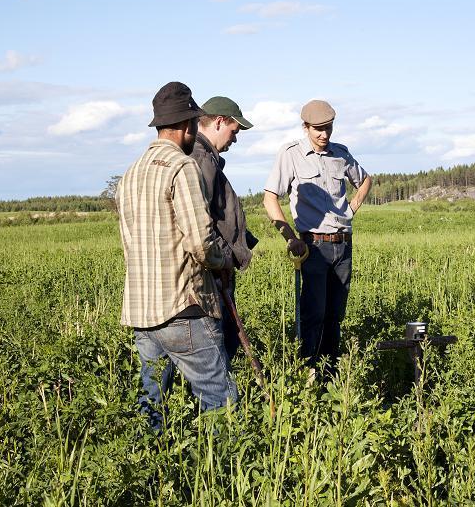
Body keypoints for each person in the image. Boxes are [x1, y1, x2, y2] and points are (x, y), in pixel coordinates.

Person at [116, 81, 237, 431]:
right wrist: (224, 260)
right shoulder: (182, 168)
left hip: (142, 313)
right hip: (183, 308)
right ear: (186, 126)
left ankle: (153, 477)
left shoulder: (131, 173)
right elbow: (200, 241)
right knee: (220, 401)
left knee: (152, 405)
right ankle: (225, 476)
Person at [263, 99, 372, 374]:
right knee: (314, 316)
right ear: (305, 127)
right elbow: (270, 198)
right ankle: (307, 376)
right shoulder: (290, 154)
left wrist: (352, 209)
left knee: (335, 317)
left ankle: (330, 377)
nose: (324, 135)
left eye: (328, 128)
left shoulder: (341, 153)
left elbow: (365, 179)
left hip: (343, 246)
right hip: (313, 247)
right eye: (318, 129)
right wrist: (289, 237)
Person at [190, 96, 259, 361]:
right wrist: (221, 263)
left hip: (216, 266)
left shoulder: (206, 157)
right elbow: (201, 219)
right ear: (219, 122)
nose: (235, 138)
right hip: (213, 270)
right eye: (235, 131)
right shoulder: (201, 159)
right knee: (219, 345)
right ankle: (220, 401)